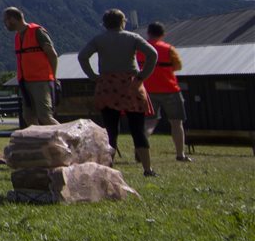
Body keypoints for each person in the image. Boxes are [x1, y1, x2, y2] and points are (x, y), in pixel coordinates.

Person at [77, 9, 159, 176]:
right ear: (123, 21)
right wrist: (143, 75)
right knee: (138, 129)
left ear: (105, 23)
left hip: (107, 85)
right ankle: (147, 169)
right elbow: (152, 54)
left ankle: (108, 167)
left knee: (110, 130)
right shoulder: (132, 37)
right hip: (130, 84)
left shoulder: (99, 39)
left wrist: (93, 76)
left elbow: (82, 56)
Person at [138, 22, 192, 163]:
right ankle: (180, 154)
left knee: (149, 123)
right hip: (170, 89)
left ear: (148, 33)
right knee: (176, 123)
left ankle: (140, 150)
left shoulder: (139, 50)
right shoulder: (169, 49)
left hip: (148, 90)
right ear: (163, 34)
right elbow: (178, 66)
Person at [2, 7, 59, 125]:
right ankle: (38, 141)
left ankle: (67, 140)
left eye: (5, 21)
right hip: (25, 82)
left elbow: (52, 55)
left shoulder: (37, 32)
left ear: (12, 19)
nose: (5, 24)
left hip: (41, 81)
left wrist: (53, 77)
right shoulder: (17, 37)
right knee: (28, 117)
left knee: (45, 117)